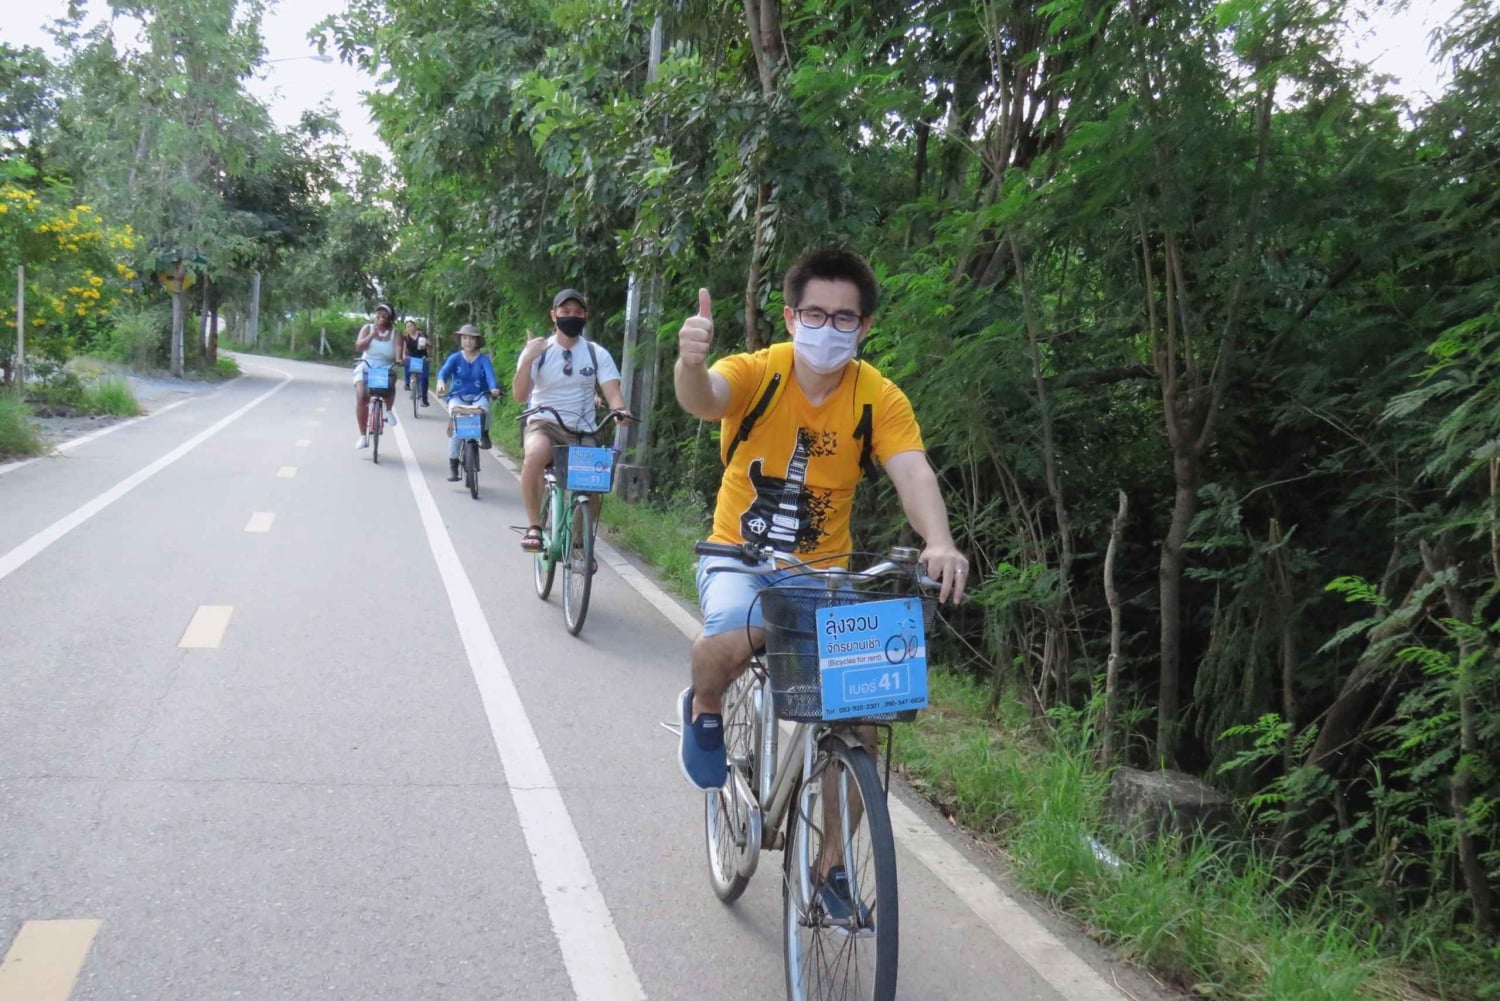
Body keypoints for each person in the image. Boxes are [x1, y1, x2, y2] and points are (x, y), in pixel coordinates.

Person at [671, 247, 970, 791]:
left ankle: (833, 871)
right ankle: (706, 703)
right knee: (744, 629)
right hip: (738, 557)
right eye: (814, 314)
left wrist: (940, 540)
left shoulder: (878, 396)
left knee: (861, 720)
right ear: (791, 317)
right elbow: (707, 399)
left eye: (844, 317)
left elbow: (912, 471)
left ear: (863, 327)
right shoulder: (758, 371)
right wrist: (690, 364)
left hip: (821, 575)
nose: (827, 327)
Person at [511, 288, 631, 553]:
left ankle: (580, 542)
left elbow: (613, 393)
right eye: (565, 312)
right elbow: (520, 395)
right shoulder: (538, 350)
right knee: (535, 454)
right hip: (545, 422)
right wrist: (528, 358)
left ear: (585, 316)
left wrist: (620, 411)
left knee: (597, 477)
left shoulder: (595, 353)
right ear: (554, 316)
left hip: (582, 429)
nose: (572, 316)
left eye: (578, 312)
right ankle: (534, 527)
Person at [435, 324, 502, 481]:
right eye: (465, 338)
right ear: (460, 340)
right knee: (457, 434)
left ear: (477, 341)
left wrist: (493, 388)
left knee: (485, 409)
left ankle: (485, 433)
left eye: (472, 338)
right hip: (457, 396)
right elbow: (444, 372)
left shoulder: (484, 359)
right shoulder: (455, 358)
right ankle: (453, 467)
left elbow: (490, 376)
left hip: (479, 395)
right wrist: (440, 381)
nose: (468, 342)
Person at [354, 303, 404, 448]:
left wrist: (400, 359)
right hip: (367, 364)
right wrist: (372, 335)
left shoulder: (396, 333)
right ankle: (363, 436)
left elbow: (398, 349)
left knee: (390, 382)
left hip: (386, 365)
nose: (381, 318)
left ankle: (388, 410)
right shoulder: (367, 328)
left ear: (390, 318)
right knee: (362, 396)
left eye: (385, 315)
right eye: (379, 315)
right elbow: (359, 346)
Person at [402, 319, 431, 406]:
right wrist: (404, 357)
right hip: (412, 358)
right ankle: (407, 383)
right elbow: (403, 351)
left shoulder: (422, 335)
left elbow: (430, 346)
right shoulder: (406, 338)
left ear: (414, 326)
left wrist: (426, 342)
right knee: (406, 363)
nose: (409, 328)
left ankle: (424, 399)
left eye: (411, 326)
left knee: (424, 378)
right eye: (407, 327)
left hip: (422, 358)